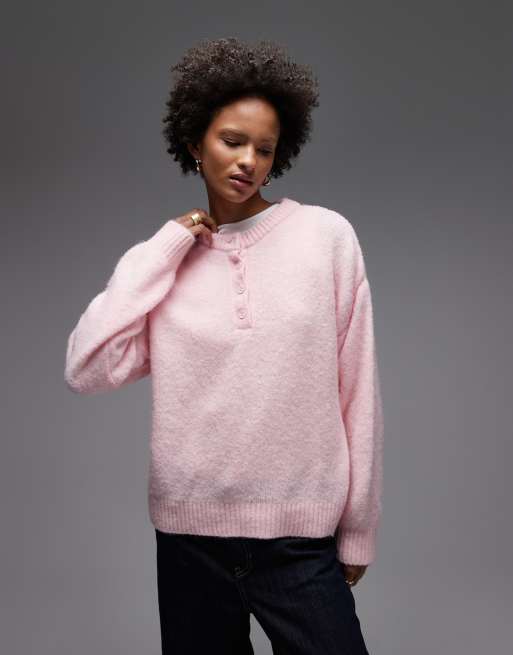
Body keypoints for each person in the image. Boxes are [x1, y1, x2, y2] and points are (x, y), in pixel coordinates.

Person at [65, 36, 384, 655]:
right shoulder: (167, 265)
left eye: (264, 148)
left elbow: (358, 389)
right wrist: (165, 245)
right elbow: (87, 367)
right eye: (232, 141)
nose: (248, 162)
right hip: (189, 543)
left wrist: (359, 529)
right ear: (194, 143)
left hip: (299, 539)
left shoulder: (326, 238)